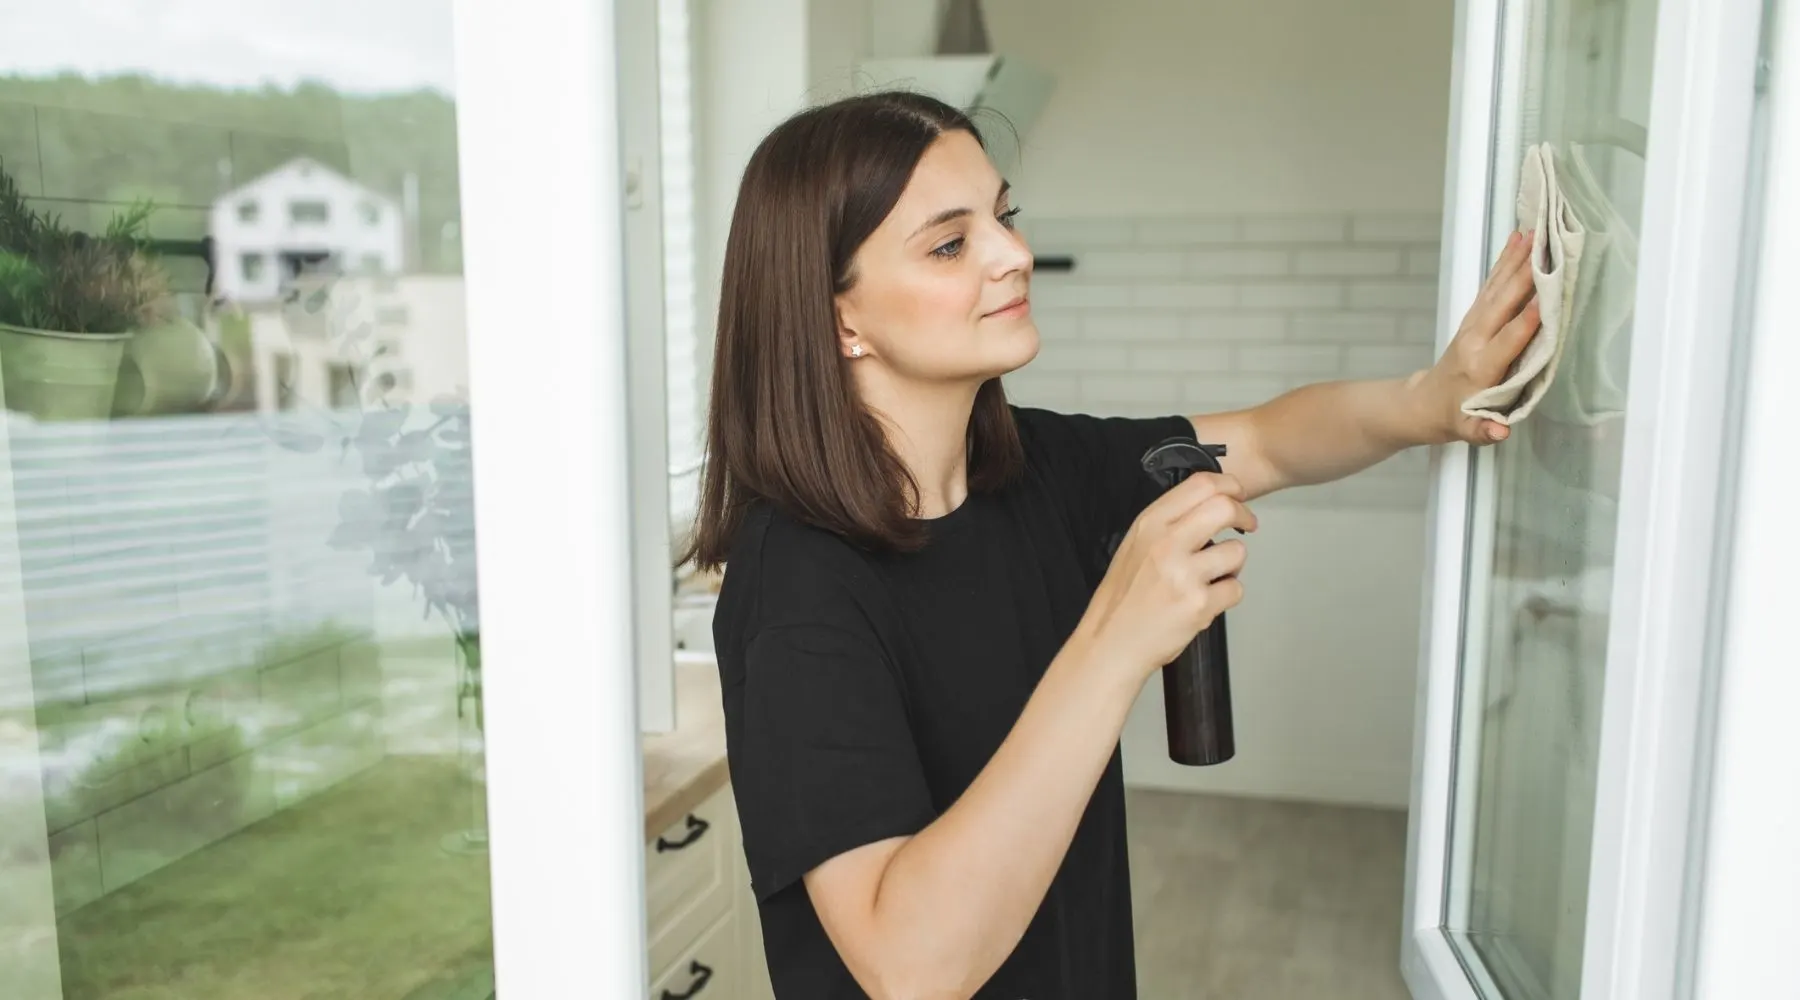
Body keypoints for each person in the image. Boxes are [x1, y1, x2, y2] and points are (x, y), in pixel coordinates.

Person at [680, 91, 1538, 1000]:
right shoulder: (800, 591)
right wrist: (1120, 635)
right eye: (949, 243)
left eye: (1003, 216)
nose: (1014, 254)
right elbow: (912, 968)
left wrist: (1429, 400)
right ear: (837, 317)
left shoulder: (1033, 470)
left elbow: (1272, 440)